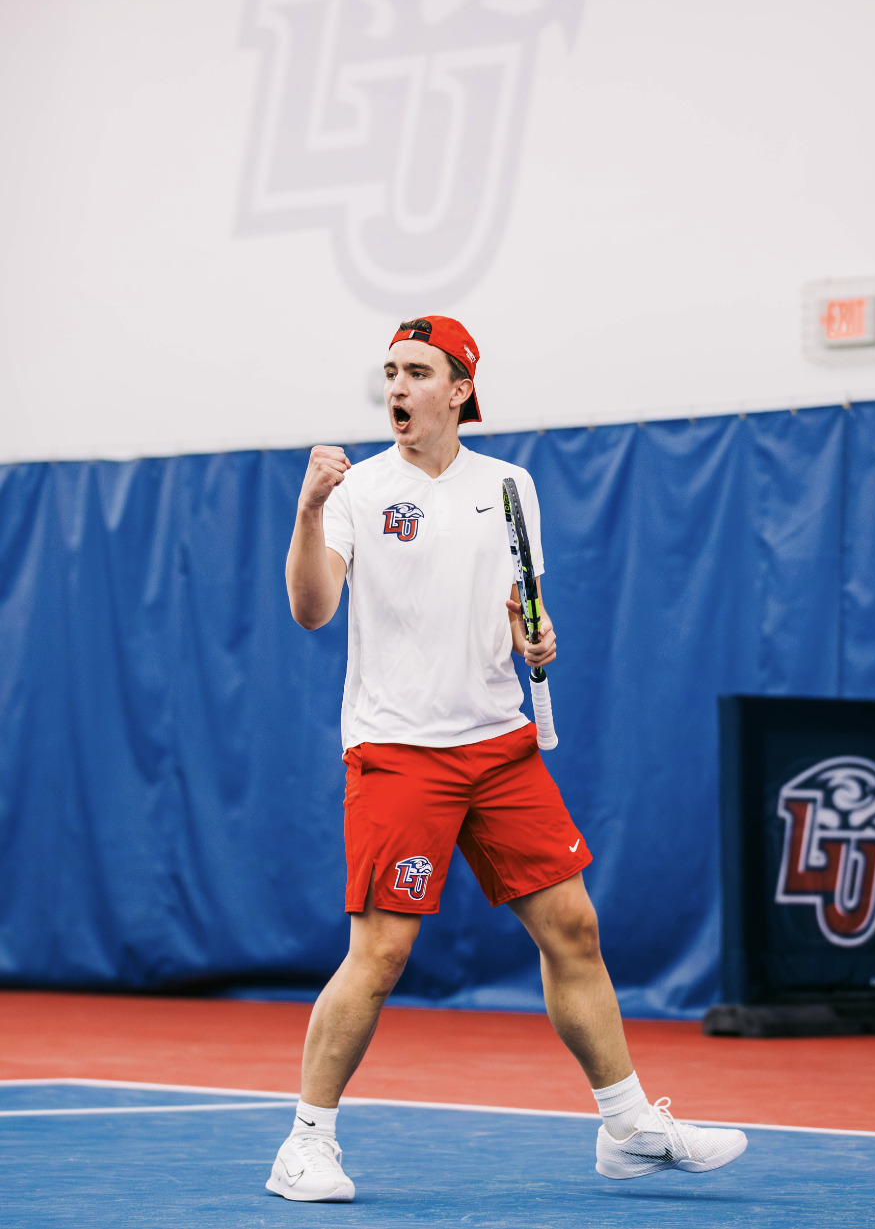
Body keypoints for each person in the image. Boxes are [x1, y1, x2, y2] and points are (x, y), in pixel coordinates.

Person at [266, 316, 747, 1202]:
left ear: (460, 390)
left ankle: (627, 1127)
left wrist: (536, 634)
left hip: (497, 745)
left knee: (573, 928)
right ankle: (304, 1142)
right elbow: (311, 609)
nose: (398, 386)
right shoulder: (357, 490)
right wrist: (307, 510)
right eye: (391, 371)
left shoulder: (510, 485)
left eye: (418, 372)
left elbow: (523, 604)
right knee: (381, 952)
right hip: (398, 748)